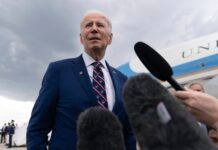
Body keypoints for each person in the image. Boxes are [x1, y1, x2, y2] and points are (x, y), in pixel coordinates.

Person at [27, 10, 136, 150]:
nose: (94, 29)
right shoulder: (58, 71)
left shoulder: (122, 79)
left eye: (100, 25)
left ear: (110, 38)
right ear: (81, 38)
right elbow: (37, 128)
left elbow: (128, 132)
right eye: (88, 25)